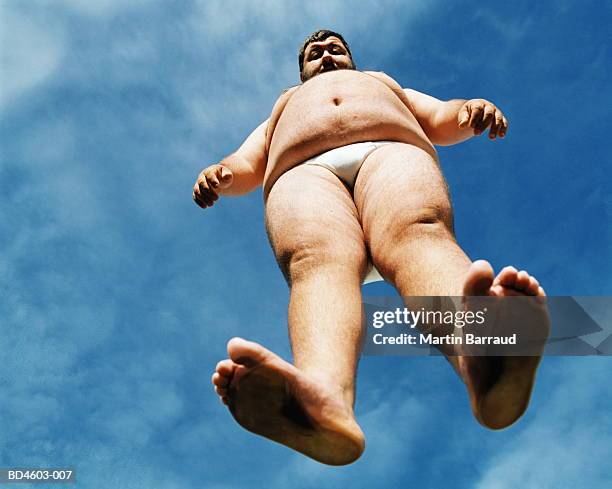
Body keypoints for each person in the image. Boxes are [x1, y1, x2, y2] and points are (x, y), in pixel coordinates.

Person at [193, 30, 550, 466]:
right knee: (314, 261)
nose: (325, 54)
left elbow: (437, 115)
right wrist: (223, 173)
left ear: (351, 58)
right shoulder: (284, 105)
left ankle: (481, 344)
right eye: (314, 54)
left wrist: (467, 113)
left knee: (417, 232)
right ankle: (323, 397)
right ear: (302, 70)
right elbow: (249, 161)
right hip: (302, 174)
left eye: (335, 49)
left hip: (389, 152)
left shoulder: (381, 81)